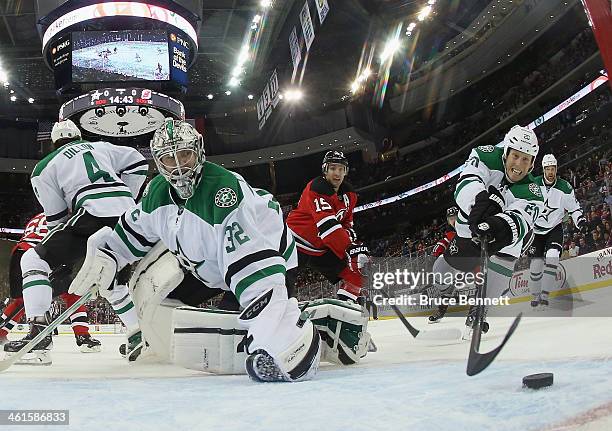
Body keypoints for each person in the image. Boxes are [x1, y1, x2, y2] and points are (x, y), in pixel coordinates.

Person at [69, 119, 321, 382]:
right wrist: (110, 255)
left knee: (241, 322)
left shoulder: (223, 191)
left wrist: (268, 333)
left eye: (185, 154)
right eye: (169, 158)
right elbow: (134, 230)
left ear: (199, 151)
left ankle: (297, 330)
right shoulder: (156, 192)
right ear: (159, 161)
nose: (178, 167)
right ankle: (152, 338)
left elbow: (253, 266)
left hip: (268, 259)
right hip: (205, 266)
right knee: (159, 296)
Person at [3, 119, 148, 365]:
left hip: (91, 214)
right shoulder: (100, 146)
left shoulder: (45, 166)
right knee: (113, 284)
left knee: (34, 259)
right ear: (78, 135)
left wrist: (62, 259)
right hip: (129, 218)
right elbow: (138, 160)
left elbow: (57, 219)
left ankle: (38, 332)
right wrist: (126, 196)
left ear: (53, 143)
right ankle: (138, 334)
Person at [432, 125, 544, 338]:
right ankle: (446, 292)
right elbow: (466, 182)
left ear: (531, 165)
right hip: (469, 228)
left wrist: (495, 227)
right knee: (441, 271)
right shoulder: (485, 155)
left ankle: (480, 310)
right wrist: (479, 204)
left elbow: (520, 219)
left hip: (500, 239)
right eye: (516, 156)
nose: (519, 165)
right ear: (506, 153)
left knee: (516, 243)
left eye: (525, 160)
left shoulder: (534, 192)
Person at [0, 213, 101, 354]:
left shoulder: (36, 218)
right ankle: (83, 336)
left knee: (23, 300)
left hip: (19, 253)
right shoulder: (64, 213)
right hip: (42, 255)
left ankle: (1, 333)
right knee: (72, 294)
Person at [286, 151, 369, 303]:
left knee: (357, 273)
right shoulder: (317, 188)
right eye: (332, 168)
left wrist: (353, 246)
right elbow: (328, 229)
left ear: (346, 171)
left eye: (341, 169)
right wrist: (349, 250)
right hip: (295, 243)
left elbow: (347, 224)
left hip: (322, 248)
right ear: (325, 170)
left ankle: (345, 311)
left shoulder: (350, 195)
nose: (337, 173)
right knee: (281, 287)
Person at [529, 154, 587, 308]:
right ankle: (535, 293)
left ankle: (545, 294)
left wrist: (580, 221)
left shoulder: (565, 187)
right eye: (547, 168)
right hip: (536, 230)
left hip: (554, 228)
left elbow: (574, 208)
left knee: (553, 256)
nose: (550, 172)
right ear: (543, 169)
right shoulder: (533, 184)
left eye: (552, 168)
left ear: (556, 169)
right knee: (536, 264)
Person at [428, 206, 458, 323]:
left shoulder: (469, 227)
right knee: (446, 288)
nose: (453, 220)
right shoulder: (448, 235)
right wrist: (437, 252)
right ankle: (441, 311)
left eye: (455, 217)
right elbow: (444, 243)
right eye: (451, 218)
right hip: (457, 265)